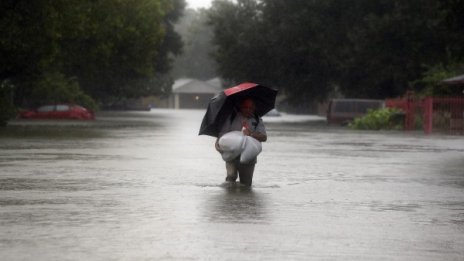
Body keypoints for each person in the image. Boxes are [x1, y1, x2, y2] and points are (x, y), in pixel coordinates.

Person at [215, 97, 267, 186]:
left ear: (254, 108)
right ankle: (230, 199)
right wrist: (218, 144)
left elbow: (264, 137)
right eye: (245, 107)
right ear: (241, 107)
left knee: (246, 184)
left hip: (249, 157)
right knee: (231, 178)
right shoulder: (231, 118)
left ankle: (245, 200)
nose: (248, 110)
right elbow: (222, 136)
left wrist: (251, 134)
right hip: (231, 155)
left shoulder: (257, 120)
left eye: (250, 108)